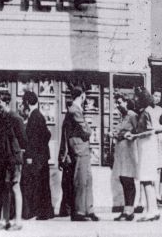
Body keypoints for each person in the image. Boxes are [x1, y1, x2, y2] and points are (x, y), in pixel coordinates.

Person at [130, 86, 162, 221]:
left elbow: (150, 130)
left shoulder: (146, 112)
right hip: (146, 146)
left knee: (147, 179)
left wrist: (134, 136)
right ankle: (153, 210)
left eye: (136, 96)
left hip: (147, 146)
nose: (134, 99)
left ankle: (151, 211)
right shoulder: (147, 111)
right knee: (147, 180)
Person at [0, 91, 27, 231]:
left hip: (14, 158)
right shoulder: (1, 117)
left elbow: (24, 140)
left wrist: (16, 152)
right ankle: (5, 221)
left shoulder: (15, 117)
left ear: (6, 102)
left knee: (14, 187)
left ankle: (18, 222)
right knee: (4, 189)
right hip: (4, 158)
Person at [62, 86, 97, 222]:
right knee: (81, 181)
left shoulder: (74, 110)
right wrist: (89, 129)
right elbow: (86, 131)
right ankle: (79, 212)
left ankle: (89, 209)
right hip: (79, 149)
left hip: (82, 149)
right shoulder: (75, 110)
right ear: (82, 96)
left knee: (87, 180)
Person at [22, 92, 54, 220]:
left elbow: (32, 140)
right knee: (43, 184)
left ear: (27, 103)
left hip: (36, 157)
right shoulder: (38, 115)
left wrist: (30, 156)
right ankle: (46, 211)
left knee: (38, 184)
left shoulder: (34, 117)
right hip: (42, 156)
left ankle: (40, 212)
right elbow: (47, 134)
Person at [113, 95, 139, 221]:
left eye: (119, 102)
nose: (118, 105)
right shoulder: (122, 117)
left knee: (128, 179)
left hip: (129, 150)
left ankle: (130, 210)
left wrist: (128, 134)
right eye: (116, 103)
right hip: (121, 151)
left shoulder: (132, 115)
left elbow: (138, 131)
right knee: (123, 179)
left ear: (126, 102)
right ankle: (126, 210)